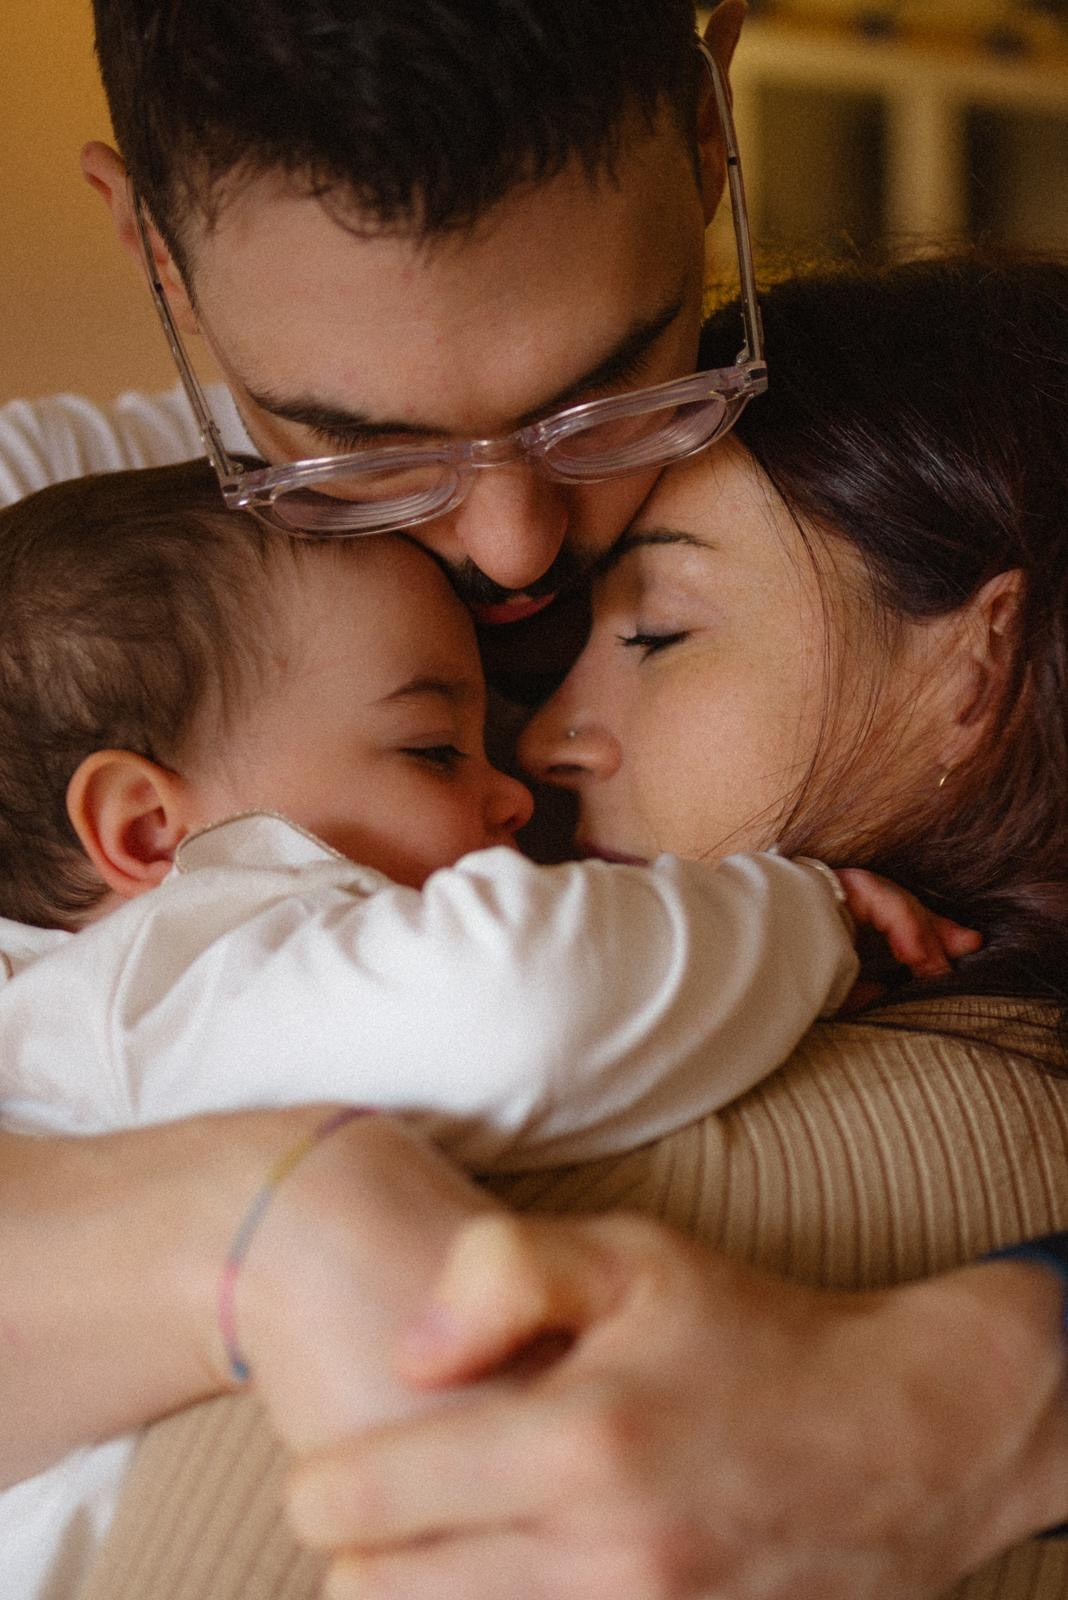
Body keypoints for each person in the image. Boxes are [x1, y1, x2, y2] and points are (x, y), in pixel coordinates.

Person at [0, 0, 1065, 1592]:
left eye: (611, 382)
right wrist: (284, 1222)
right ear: (157, 252)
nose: (510, 548)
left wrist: (975, 1390)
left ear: (713, 133)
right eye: (351, 445)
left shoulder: (869, 468)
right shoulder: (52, 582)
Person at [0, 456, 966, 1599]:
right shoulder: (177, 960)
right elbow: (526, 1001)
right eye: (431, 749)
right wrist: (809, 910)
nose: (514, 792)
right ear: (152, 832)